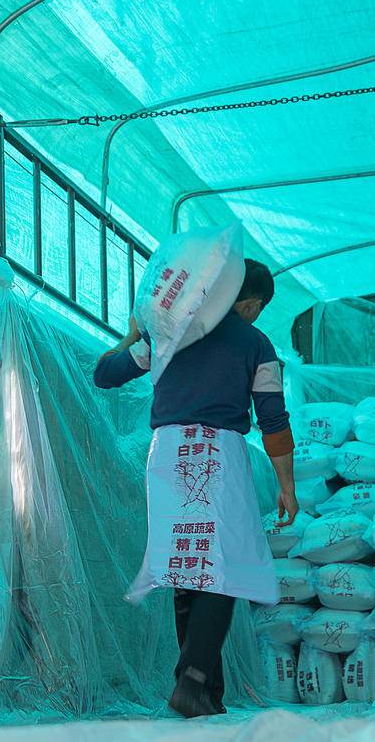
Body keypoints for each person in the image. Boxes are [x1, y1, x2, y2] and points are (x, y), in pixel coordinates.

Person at [94, 258, 298, 718]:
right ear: (247, 301)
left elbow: (104, 374)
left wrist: (132, 334)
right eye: (257, 307)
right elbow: (273, 420)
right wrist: (287, 485)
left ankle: (205, 693)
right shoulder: (257, 344)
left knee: (187, 565)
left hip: (167, 455)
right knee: (220, 570)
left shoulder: (168, 331)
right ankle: (194, 681)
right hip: (218, 455)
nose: (255, 316)